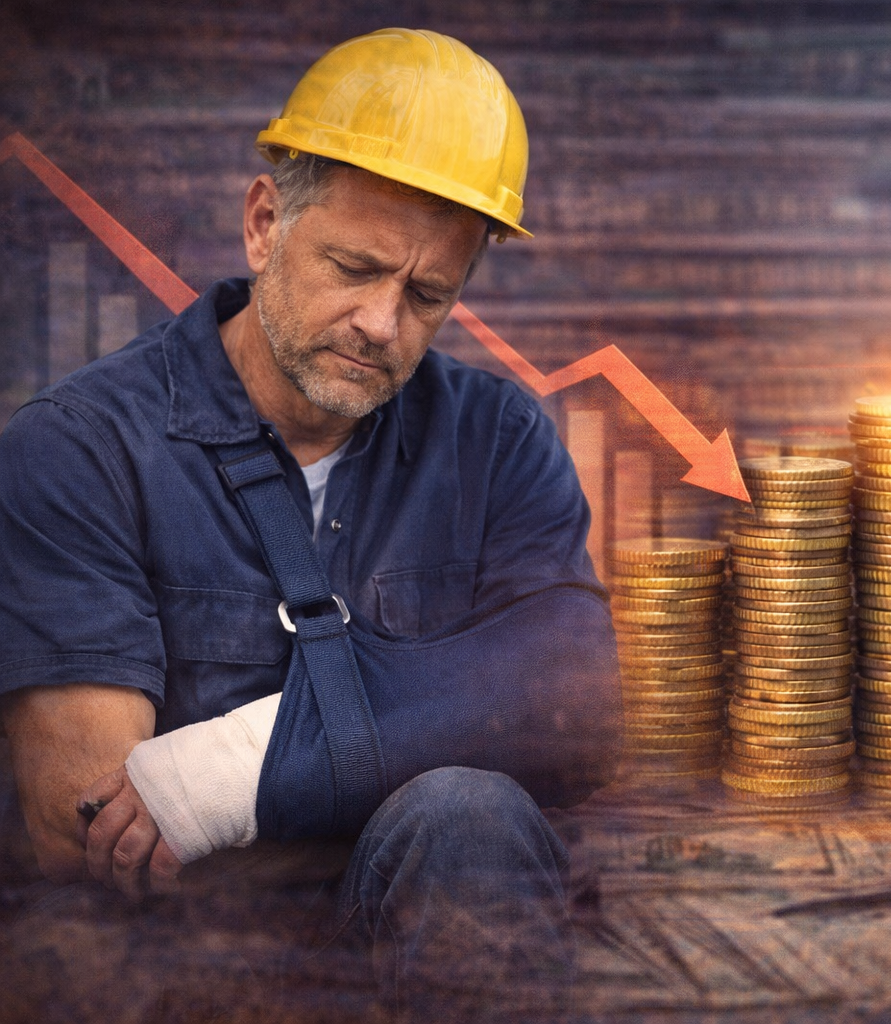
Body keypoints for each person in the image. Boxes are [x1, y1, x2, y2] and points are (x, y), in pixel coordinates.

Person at [0, 27, 621, 1018]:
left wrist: (238, 772)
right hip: (177, 970)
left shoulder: (496, 437)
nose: (384, 322)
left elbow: (577, 696)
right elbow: (86, 826)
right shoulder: (79, 448)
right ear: (262, 225)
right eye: (356, 266)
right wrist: (442, 717)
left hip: (435, 940)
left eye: (428, 294)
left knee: (469, 817)